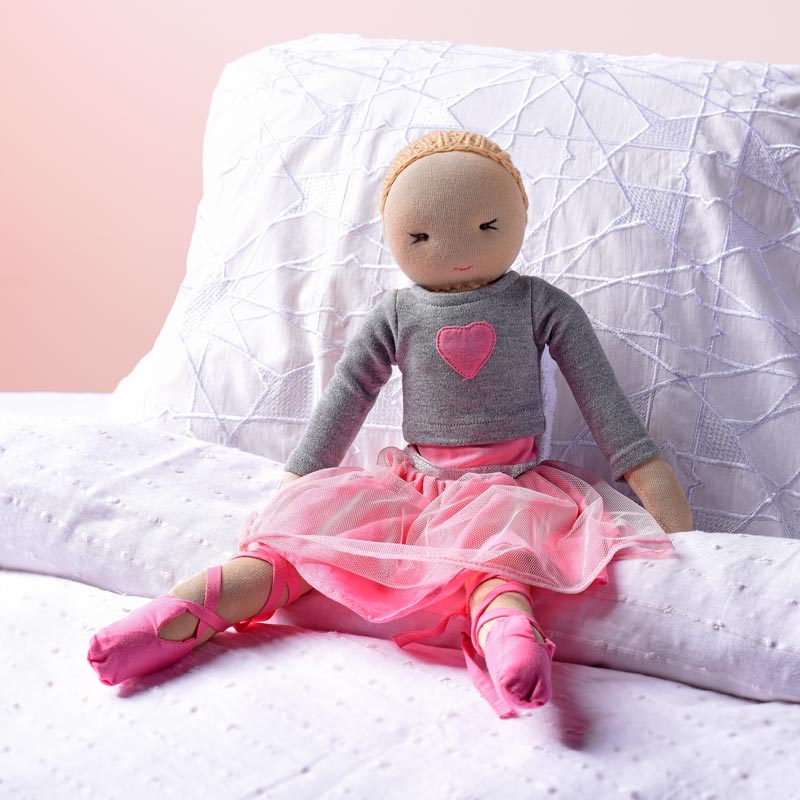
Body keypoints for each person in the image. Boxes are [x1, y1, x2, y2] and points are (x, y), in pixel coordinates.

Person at [89, 130, 692, 718]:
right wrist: (298, 484)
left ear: (517, 217)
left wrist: (650, 477)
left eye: (487, 226)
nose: (456, 246)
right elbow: (348, 395)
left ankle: (512, 642)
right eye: (421, 235)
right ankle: (169, 619)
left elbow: (602, 398)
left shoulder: (540, 304)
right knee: (296, 550)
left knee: (498, 564)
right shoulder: (397, 313)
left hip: (510, 489)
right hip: (412, 487)